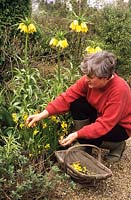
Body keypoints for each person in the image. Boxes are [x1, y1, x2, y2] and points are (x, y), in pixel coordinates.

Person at [26, 51, 131, 162]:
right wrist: (42, 114)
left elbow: (105, 124)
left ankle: (117, 145)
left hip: (119, 127)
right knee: (77, 103)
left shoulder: (119, 90)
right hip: (100, 116)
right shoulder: (88, 81)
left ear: (104, 77)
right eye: (86, 75)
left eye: (91, 77)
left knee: (87, 136)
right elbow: (67, 97)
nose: (86, 79)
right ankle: (86, 145)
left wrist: (78, 134)